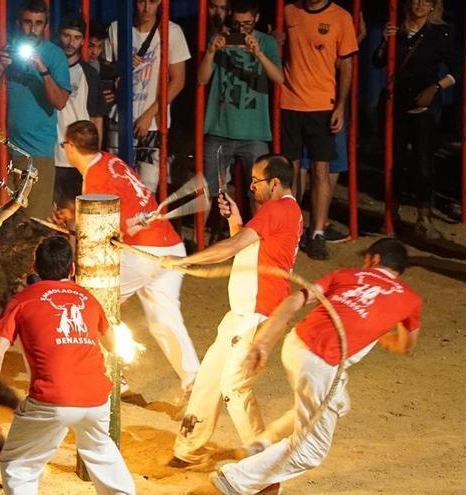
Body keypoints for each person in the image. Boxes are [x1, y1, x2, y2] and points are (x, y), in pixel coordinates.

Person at [211, 238, 422, 494]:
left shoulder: (346, 274)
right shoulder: (410, 299)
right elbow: (405, 346)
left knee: (337, 402)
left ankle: (264, 443)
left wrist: (263, 342)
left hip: (297, 345)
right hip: (321, 365)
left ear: (373, 259)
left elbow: (292, 302)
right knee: (312, 451)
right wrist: (380, 332)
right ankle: (234, 481)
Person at [163, 154, 302, 467]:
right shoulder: (282, 211)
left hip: (257, 313)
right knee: (209, 378)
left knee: (235, 388)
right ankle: (188, 448)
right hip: (243, 312)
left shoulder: (278, 209)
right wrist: (233, 218)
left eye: (257, 181)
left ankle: (265, 463)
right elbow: (249, 245)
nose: (251, 186)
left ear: (276, 183)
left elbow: (231, 248)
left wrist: (184, 261)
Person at [0, 236, 135, 495]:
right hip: (97, 399)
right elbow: (113, 345)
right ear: (72, 269)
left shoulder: (23, 300)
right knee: (100, 450)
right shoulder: (88, 299)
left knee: (19, 464)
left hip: (52, 399)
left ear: (34, 267)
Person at [61, 120, 197, 396]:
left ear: (71, 147)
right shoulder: (111, 161)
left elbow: (100, 235)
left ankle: (110, 374)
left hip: (143, 253)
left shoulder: (95, 179)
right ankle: (195, 384)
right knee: (164, 320)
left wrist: (74, 226)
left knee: (93, 302)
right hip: (169, 247)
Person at [373, 0, 459, 240]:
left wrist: (436, 87)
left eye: (426, 1)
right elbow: (378, 62)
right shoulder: (396, 29)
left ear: (434, 7)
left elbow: (457, 70)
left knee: (424, 162)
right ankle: (392, 214)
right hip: (397, 104)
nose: (420, 4)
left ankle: (424, 218)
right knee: (394, 160)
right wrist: (384, 42)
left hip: (425, 106)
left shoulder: (441, 32)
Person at [279, 0, 358, 260]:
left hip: (323, 105)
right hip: (290, 103)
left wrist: (341, 107)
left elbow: (346, 64)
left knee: (320, 170)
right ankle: (292, 228)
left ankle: (317, 233)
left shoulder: (341, 17)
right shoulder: (289, 11)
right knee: (290, 171)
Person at [198, 0, 283, 230]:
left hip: (255, 132)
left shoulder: (267, 42)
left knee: (261, 193)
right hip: (218, 128)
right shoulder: (219, 38)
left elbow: (279, 78)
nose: (242, 29)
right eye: (237, 24)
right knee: (207, 190)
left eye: (246, 24)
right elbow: (202, 79)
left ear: (256, 18)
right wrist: (211, 52)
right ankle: (200, 246)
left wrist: (259, 54)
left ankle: (258, 245)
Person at [0, 0, 70, 219]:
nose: (32, 29)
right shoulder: (6, 50)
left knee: (34, 222)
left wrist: (43, 71)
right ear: (18, 23)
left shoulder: (54, 55)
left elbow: (60, 102)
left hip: (36, 152)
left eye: (38, 23)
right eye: (27, 22)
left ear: (45, 26)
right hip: (1, 149)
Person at [105, 0, 191, 193]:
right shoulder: (116, 28)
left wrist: (149, 114)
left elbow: (178, 81)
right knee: (116, 184)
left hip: (152, 122)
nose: (146, 8)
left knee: (146, 189)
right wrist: (118, 73)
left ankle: (141, 225)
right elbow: (106, 71)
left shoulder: (171, 31)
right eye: (142, 1)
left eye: (152, 2)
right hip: (118, 118)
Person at [53, 17, 107, 211]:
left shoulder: (89, 74)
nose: (70, 42)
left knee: (73, 216)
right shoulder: (47, 68)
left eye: (76, 37)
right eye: (67, 35)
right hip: (47, 154)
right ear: (58, 35)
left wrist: (94, 158)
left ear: (83, 40)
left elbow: (96, 117)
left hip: (77, 157)